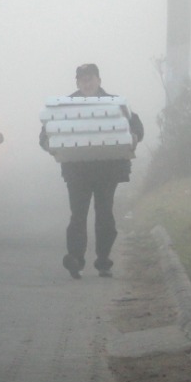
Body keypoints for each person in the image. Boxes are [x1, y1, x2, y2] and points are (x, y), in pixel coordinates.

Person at [40, 63, 144, 278]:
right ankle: (76, 260)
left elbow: (137, 128)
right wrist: (49, 143)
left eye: (91, 78)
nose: (87, 83)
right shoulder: (63, 107)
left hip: (108, 170)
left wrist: (133, 136)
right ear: (77, 82)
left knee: (105, 215)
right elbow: (45, 135)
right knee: (78, 215)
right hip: (77, 172)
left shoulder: (116, 104)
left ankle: (103, 260)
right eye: (83, 79)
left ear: (99, 80)